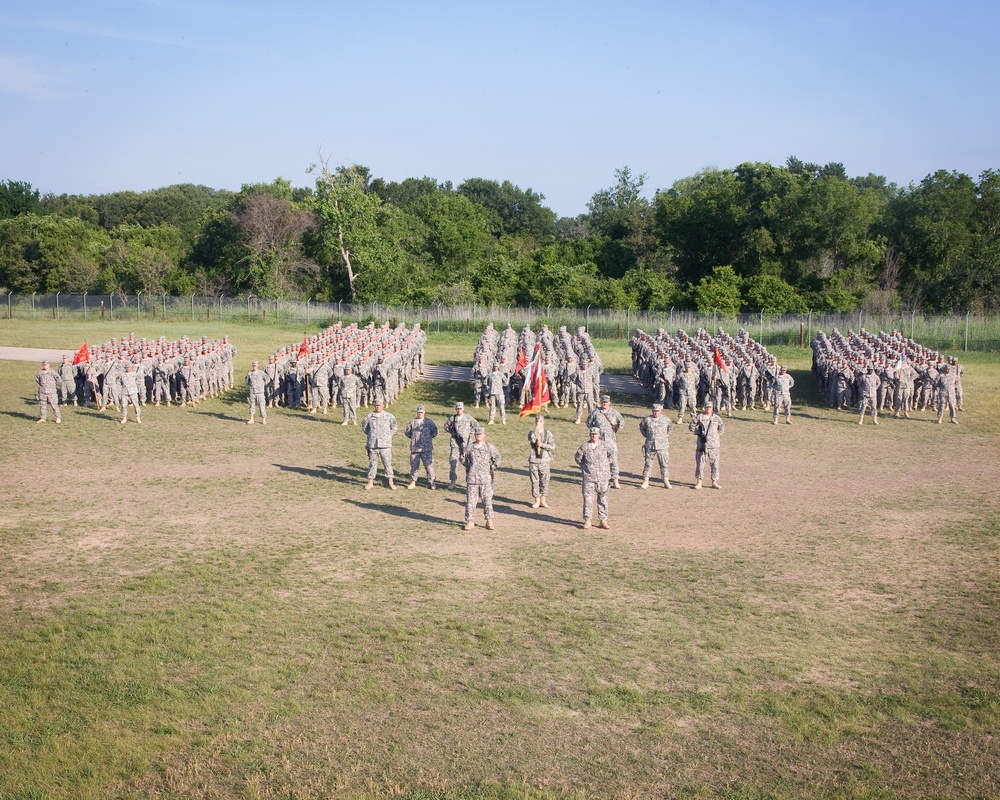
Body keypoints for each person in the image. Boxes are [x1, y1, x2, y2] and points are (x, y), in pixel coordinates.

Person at [462, 425, 501, 531]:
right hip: (472, 480)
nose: (478, 436)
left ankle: (489, 521)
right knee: (470, 501)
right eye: (477, 434)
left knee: (487, 501)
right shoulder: (469, 447)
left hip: (485, 480)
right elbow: (463, 458)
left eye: (480, 434)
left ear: (484, 435)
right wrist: (470, 467)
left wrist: (491, 468)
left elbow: (497, 458)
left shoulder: (489, 447)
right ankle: (470, 522)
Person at [575, 426, 612, 529]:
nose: (594, 436)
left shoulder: (605, 445)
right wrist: (586, 468)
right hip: (589, 478)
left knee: (603, 499)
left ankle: (603, 520)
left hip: (603, 478)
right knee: (588, 499)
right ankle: (587, 520)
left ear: (599, 435)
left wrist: (604, 467)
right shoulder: (584, 447)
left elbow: (611, 457)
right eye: (592, 434)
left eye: (595, 434)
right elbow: (578, 459)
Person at [586, 394, 625, 488]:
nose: (604, 404)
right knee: (599, 460)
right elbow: (588, 423)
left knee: (613, 459)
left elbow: (622, 421)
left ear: (609, 403)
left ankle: (615, 480)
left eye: (606, 402)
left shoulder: (614, 412)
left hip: (611, 440)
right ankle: (602, 480)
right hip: (599, 441)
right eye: (603, 402)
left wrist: (616, 428)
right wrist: (594, 432)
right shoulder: (596, 412)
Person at [361, 399, 398, 489]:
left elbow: (394, 427)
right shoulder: (369, 416)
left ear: (383, 406)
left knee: (387, 463)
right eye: (376, 405)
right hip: (372, 444)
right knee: (372, 463)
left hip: (385, 445)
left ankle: (390, 482)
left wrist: (387, 435)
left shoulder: (389, 416)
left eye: (380, 405)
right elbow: (364, 428)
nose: (378, 407)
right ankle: (370, 482)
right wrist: (371, 435)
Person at [689, 400, 724, 489]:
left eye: (710, 407)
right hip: (702, 445)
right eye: (707, 407)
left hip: (714, 445)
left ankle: (714, 481)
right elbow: (691, 426)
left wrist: (716, 436)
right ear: (704, 408)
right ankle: (699, 482)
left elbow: (722, 427)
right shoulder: (700, 417)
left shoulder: (716, 418)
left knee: (715, 464)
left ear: (712, 408)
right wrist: (698, 433)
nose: (708, 409)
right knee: (700, 463)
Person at [638, 402, 674, 489]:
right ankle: (646, 481)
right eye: (654, 411)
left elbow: (671, 428)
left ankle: (666, 481)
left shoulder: (666, 420)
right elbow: (642, 428)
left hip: (662, 446)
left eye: (657, 411)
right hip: (650, 445)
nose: (655, 413)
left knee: (663, 463)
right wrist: (648, 436)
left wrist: (665, 437)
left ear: (660, 411)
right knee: (648, 463)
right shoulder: (647, 420)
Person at [443, 401, 477, 490]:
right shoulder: (452, 418)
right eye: (457, 409)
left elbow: (476, 425)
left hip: (467, 444)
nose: (459, 410)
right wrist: (452, 432)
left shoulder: (468, 417)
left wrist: (471, 432)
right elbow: (446, 426)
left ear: (463, 409)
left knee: (468, 463)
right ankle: (453, 481)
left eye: (460, 409)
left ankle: (469, 481)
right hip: (455, 444)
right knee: (453, 462)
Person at [404, 404, 438, 489]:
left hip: (426, 448)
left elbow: (435, 432)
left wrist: (427, 439)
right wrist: (414, 439)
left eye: (421, 412)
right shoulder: (412, 422)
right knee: (414, 466)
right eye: (418, 412)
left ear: (424, 412)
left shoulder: (429, 422)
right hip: (415, 448)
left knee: (429, 466)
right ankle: (413, 481)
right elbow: (407, 432)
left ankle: (432, 482)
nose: (420, 414)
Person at [527, 414, 556, 508]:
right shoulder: (532, 432)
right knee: (534, 480)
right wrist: (536, 429)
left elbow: (552, 446)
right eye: (536, 421)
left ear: (544, 422)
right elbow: (532, 439)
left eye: (540, 421)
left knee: (544, 480)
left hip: (544, 461)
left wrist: (542, 445)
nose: (538, 423)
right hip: (534, 460)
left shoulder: (548, 434)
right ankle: (537, 499)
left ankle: (543, 499)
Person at [246, 360, 267, 424]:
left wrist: (262, 386)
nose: (254, 367)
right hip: (252, 392)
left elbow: (266, 379)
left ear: (257, 366)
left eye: (255, 365)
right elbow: (247, 381)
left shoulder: (261, 373)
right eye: (253, 365)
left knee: (262, 405)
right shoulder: (249, 373)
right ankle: (251, 419)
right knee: (252, 405)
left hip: (260, 392)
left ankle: (263, 419)